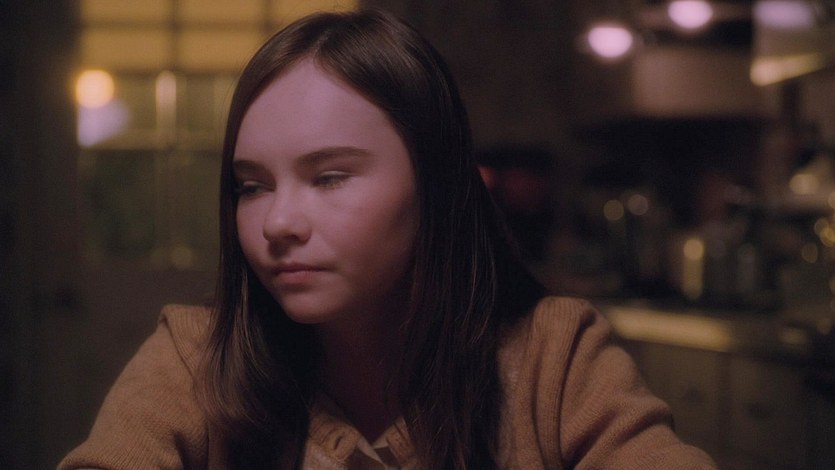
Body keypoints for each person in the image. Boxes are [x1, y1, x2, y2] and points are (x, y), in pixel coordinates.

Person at [59, 9, 716, 470]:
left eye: (329, 177)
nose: (278, 222)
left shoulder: (552, 357)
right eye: (251, 186)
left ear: (434, 184)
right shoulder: (197, 358)